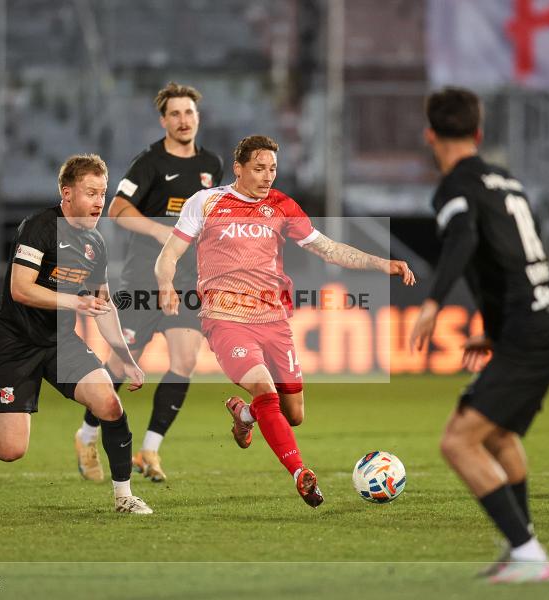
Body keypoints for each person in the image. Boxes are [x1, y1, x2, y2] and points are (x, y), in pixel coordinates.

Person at [155, 134, 415, 508]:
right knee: (265, 390)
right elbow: (169, 255)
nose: (267, 176)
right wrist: (165, 284)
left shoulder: (281, 206)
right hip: (225, 318)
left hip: (274, 321)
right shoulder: (206, 202)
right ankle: (300, 473)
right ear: (238, 168)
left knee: (293, 415)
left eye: (273, 169)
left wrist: (381, 263)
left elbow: (328, 249)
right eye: (259, 168)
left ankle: (244, 415)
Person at [409, 87, 549, 582]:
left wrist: (433, 303)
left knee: (458, 442)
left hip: (532, 326)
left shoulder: (454, 186)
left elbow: (464, 237)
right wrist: (497, 333)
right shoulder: (507, 182)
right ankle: (519, 545)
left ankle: (528, 554)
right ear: (479, 134)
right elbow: (515, 258)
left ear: (430, 136)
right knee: (498, 435)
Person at [0, 154, 153, 514]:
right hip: (16, 343)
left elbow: (103, 305)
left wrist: (125, 359)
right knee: (11, 450)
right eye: (91, 192)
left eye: (103, 193)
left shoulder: (95, 243)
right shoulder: (39, 227)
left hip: (60, 343)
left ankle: (124, 497)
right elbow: (21, 288)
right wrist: (74, 302)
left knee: (110, 405)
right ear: (67, 193)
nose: (99, 201)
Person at [75, 82, 224, 483]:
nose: (183, 120)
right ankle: (86, 435)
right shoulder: (149, 162)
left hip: (187, 281)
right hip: (143, 278)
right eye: (175, 114)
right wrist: (160, 231)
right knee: (123, 363)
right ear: (163, 121)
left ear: (198, 117)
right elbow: (117, 208)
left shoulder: (211, 165)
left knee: (185, 360)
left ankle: (150, 450)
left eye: (189, 112)